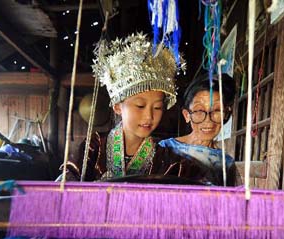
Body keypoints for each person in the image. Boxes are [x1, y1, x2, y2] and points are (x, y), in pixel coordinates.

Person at [60, 33, 209, 183]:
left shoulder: (168, 160)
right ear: (118, 106)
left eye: (157, 107)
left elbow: (200, 186)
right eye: (140, 106)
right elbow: (66, 183)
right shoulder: (95, 147)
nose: (149, 116)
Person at [158, 73, 239, 186]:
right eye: (199, 110)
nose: (208, 120)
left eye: (216, 110)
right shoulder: (165, 149)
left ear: (225, 114)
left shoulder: (226, 163)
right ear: (187, 115)